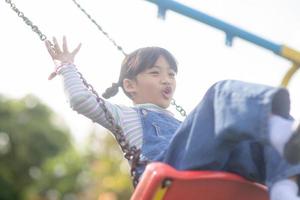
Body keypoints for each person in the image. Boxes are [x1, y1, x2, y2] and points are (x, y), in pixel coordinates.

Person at [45, 36, 300, 199]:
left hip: (207, 169)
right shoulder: (126, 115)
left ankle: (285, 187)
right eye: (155, 73)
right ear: (130, 85)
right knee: (220, 95)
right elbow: (81, 100)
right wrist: (66, 66)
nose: (166, 79)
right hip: (169, 170)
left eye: (171, 74)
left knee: (248, 137)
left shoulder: (183, 124)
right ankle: (282, 133)